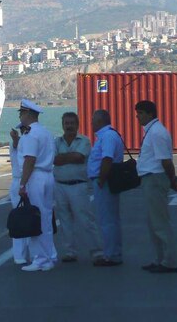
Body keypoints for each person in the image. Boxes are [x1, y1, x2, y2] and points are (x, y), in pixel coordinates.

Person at [135, 100, 177, 274]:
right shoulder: (152, 131)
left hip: (155, 179)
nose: (137, 117)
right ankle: (159, 258)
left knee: (160, 223)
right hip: (149, 179)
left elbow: (165, 160)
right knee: (153, 223)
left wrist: (173, 179)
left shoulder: (157, 133)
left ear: (150, 114)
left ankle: (169, 261)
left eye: (140, 113)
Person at [53, 112, 103, 263]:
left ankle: (97, 252)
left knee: (86, 220)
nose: (69, 126)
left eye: (71, 123)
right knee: (65, 221)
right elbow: (55, 160)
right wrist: (70, 157)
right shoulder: (56, 142)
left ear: (77, 125)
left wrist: (63, 158)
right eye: (66, 123)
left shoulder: (85, 141)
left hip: (78, 186)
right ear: (62, 125)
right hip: (60, 185)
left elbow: (79, 157)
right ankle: (70, 252)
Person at [16, 99, 57, 272]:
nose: (20, 116)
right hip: (48, 176)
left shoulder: (31, 134)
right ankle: (49, 257)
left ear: (27, 114)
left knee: (34, 218)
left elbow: (29, 160)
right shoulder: (46, 132)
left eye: (21, 113)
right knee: (46, 218)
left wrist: (23, 184)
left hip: (35, 178)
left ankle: (40, 259)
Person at [87, 109, 124, 266]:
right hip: (108, 180)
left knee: (107, 220)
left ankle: (110, 255)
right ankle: (114, 252)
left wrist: (101, 179)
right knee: (111, 219)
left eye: (93, 119)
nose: (91, 122)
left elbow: (107, 159)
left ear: (100, 121)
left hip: (105, 181)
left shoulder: (107, 136)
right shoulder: (108, 135)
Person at [8, 124, 30, 265]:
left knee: (34, 217)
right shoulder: (17, 143)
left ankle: (34, 253)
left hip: (32, 181)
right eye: (23, 130)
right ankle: (19, 255)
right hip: (18, 182)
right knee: (19, 219)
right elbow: (16, 146)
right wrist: (16, 139)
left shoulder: (32, 143)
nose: (24, 132)